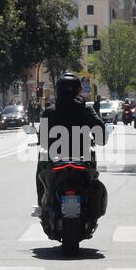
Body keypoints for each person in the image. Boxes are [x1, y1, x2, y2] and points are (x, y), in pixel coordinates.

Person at [33, 73, 107, 216]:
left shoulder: (49, 112)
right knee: (93, 177)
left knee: (41, 168)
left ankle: (41, 208)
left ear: (58, 90)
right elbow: (101, 137)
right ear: (78, 90)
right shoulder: (86, 111)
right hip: (82, 160)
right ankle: (91, 209)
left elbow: (43, 140)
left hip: (55, 161)